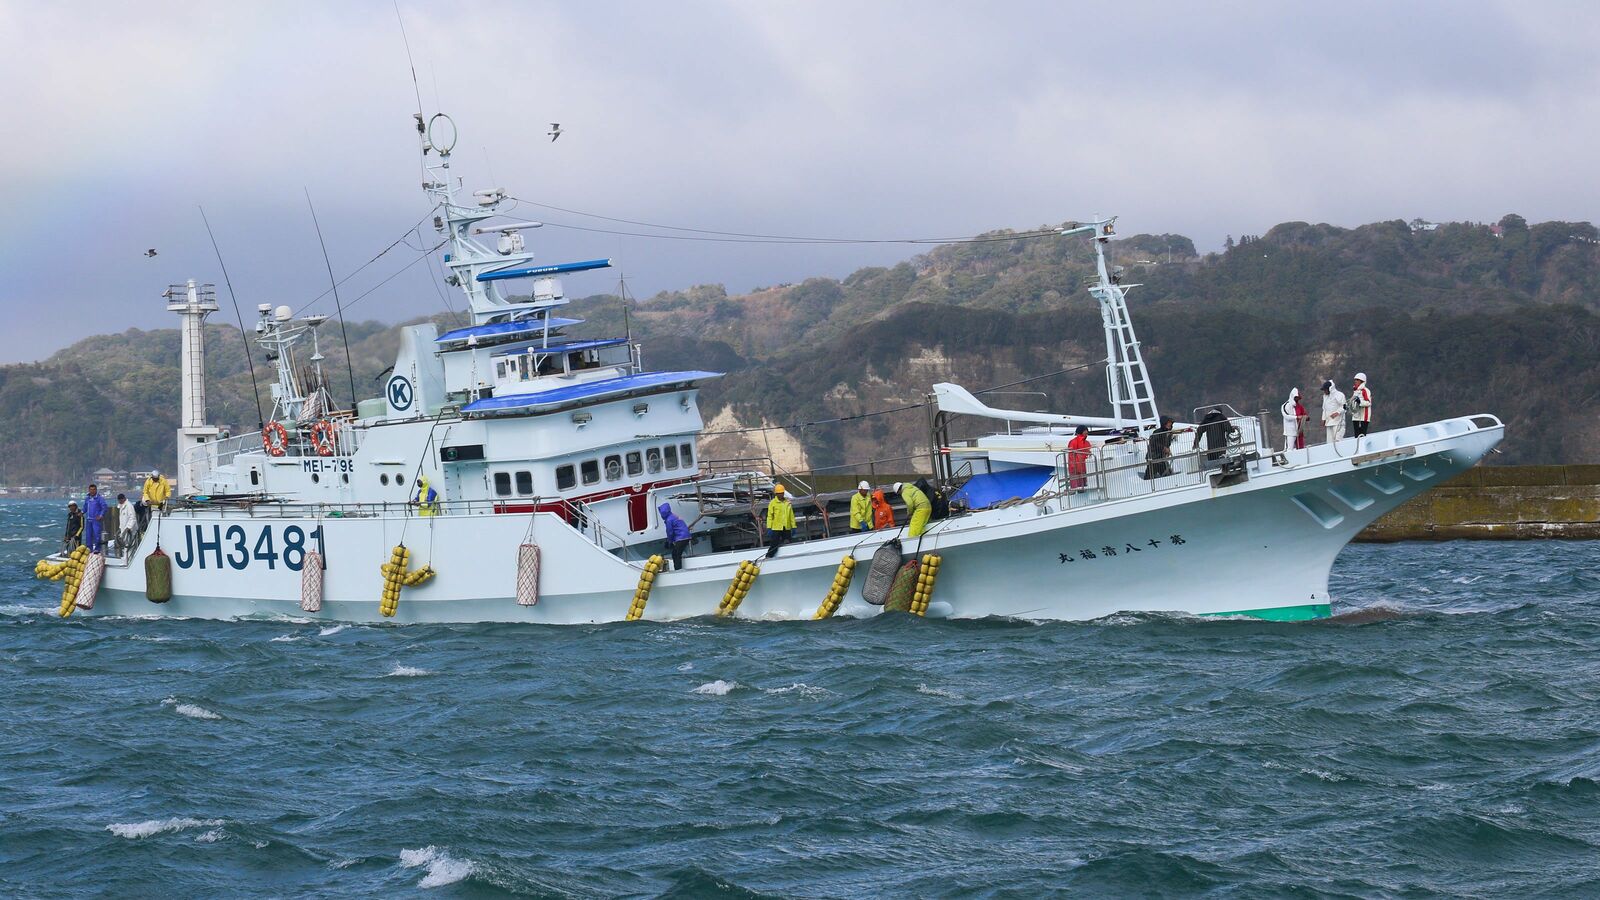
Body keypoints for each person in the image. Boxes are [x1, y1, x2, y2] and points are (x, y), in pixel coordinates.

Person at [764, 483, 796, 558]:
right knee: (774, 544)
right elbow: (770, 516)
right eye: (779, 493)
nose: (781, 495)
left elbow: (791, 515)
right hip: (776, 527)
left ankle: (788, 557)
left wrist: (793, 526)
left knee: (788, 542)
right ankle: (769, 556)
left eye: (782, 493)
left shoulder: (787, 503)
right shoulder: (773, 503)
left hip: (786, 527)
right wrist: (769, 527)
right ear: (776, 494)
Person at [659, 502, 692, 570]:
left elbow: (670, 532)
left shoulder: (669, 520)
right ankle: (678, 568)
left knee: (676, 554)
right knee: (676, 552)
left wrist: (670, 542)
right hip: (686, 536)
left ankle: (678, 570)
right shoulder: (673, 516)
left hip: (681, 538)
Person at [82, 483, 107, 553]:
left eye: (93, 489)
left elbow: (104, 507)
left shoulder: (99, 498)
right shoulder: (87, 498)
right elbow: (85, 507)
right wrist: (81, 512)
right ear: (89, 490)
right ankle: (89, 549)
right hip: (88, 520)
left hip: (96, 520)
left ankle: (97, 549)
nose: (92, 491)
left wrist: (101, 515)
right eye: (91, 490)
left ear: (96, 490)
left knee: (97, 535)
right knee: (88, 536)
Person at [1321, 379, 1346, 446]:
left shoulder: (1339, 395)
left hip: (1338, 422)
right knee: (1329, 442)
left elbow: (1344, 406)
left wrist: (1337, 412)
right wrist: (1323, 419)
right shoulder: (1325, 397)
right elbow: (1324, 409)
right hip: (1329, 422)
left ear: (1330, 389)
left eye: (1325, 390)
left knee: (1338, 440)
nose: (1324, 391)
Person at [1066, 425, 1092, 490]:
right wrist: (1073, 467)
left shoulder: (1086, 442)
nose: (1086, 432)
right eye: (1085, 430)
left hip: (1084, 466)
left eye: (1086, 430)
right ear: (1081, 431)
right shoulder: (1073, 442)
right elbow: (1071, 455)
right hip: (1077, 467)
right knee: (1077, 487)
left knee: (1083, 486)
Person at [1349, 373, 1373, 438]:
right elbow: (1352, 401)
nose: (1355, 381)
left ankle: (1361, 447)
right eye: (1355, 380)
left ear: (1362, 381)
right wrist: (1347, 406)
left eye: (1357, 380)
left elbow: (1369, 402)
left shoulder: (1365, 390)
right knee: (1356, 436)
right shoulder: (1355, 391)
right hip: (1356, 416)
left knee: (1362, 435)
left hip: (1363, 417)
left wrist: (1360, 402)